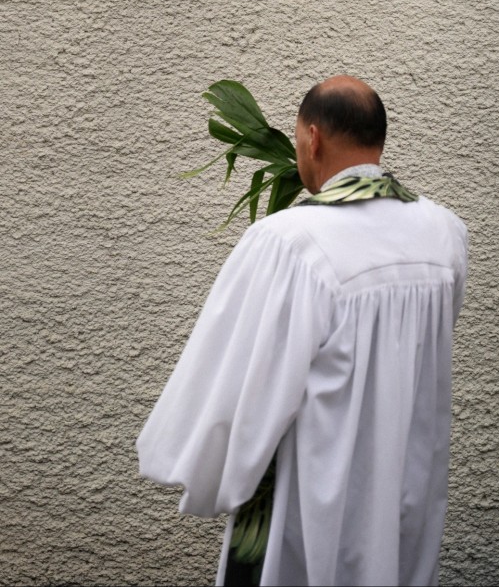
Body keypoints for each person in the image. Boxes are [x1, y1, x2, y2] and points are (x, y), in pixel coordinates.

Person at [137, 75, 468, 587]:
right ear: (376, 141)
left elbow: (240, 378)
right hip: (403, 485)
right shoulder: (444, 232)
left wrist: (200, 464)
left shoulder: (290, 241)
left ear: (312, 138)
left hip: (313, 494)